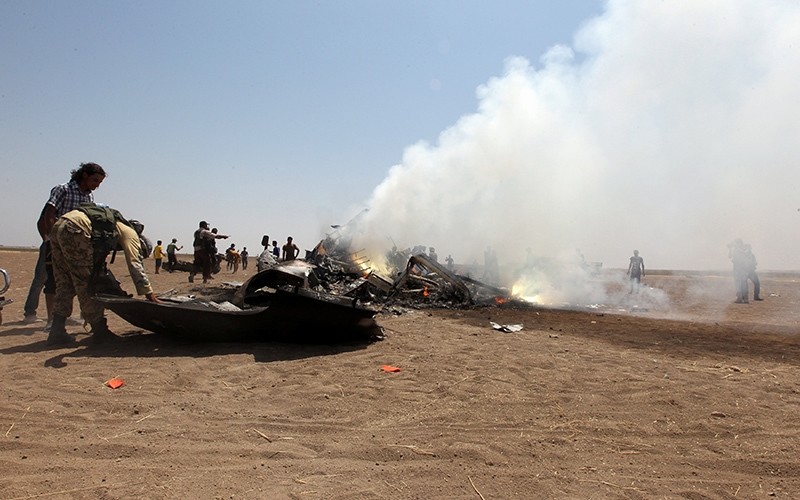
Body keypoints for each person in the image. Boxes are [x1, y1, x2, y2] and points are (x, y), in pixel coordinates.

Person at [46, 205, 160, 346]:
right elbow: (135, 264)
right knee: (87, 283)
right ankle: (100, 332)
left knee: (65, 282)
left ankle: (56, 332)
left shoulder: (112, 228)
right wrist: (148, 293)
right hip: (76, 229)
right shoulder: (132, 236)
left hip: (60, 226)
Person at [23, 162, 107, 326]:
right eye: (95, 180)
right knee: (43, 278)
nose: (97, 185)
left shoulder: (88, 197)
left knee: (69, 280)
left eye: (99, 183)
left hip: (76, 245)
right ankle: (31, 313)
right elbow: (48, 214)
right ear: (85, 175)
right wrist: (49, 239)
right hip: (55, 241)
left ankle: (62, 317)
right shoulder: (63, 189)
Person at [729, 239, 749, 303]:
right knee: (738, 283)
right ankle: (740, 298)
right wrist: (730, 249)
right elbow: (730, 256)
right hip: (737, 268)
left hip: (742, 269)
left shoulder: (743, 249)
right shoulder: (736, 250)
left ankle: (745, 298)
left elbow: (744, 254)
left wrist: (736, 247)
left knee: (743, 283)